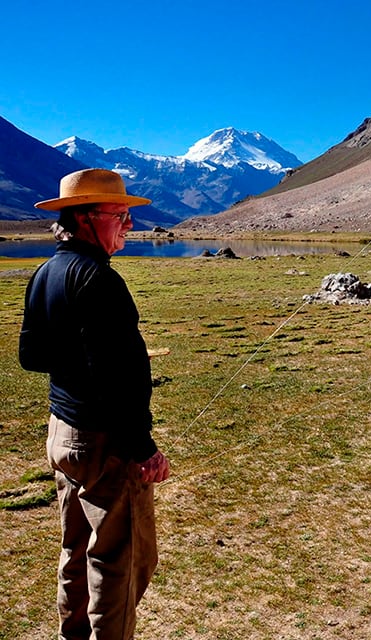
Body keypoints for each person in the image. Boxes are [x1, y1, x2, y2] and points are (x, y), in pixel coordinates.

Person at [19, 168, 170, 640]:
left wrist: (82, 358)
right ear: (85, 218)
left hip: (63, 435)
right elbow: (117, 379)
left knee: (76, 548)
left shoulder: (45, 274)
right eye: (119, 215)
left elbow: (31, 356)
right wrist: (143, 449)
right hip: (105, 443)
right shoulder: (100, 279)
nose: (130, 224)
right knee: (120, 561)